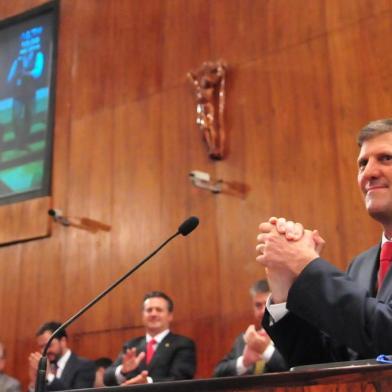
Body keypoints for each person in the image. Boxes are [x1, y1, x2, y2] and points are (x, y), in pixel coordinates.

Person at [255, 118, 392, 368]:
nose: (369, 173)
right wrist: (285, 287)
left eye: (386, 158)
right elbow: (325, 362)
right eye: (363, 163)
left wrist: (304, 263)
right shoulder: (360, 265)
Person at [104, 291, 196, 386]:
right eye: (149, 310)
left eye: (159, 310)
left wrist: (148, 382)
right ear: (143, 315)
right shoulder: (131, 345)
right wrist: (122, 370)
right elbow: (107, 378)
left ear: (170, 316)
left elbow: (181, 378)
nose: (153, 314)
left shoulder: (183, 344)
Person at [213, 280, 287, 377]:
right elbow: (217, 373)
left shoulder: (289, 335)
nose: (262, 311)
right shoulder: (245, 339)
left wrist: (265, 350)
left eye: (266, 304)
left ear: (277, 303)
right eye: (258, 305)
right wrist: (244, 362)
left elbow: (296, 368)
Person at [28, 321, 95, 391]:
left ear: (63, 341)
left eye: (49, 345)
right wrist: (34, 381)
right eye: (41, 347)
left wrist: (48, 376)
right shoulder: (46, 365)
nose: (44, 351)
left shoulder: (84, 365)